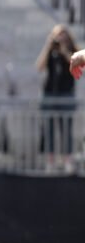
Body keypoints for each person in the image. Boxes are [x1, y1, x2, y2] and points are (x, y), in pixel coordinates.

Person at [36, 24, 77, 166]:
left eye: (63, 35)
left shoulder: (73, 51)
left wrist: (64, 51)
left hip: (66, 94)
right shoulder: (51, 52)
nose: (60, 39)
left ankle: (67, 159)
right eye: (57, 35)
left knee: (66, 128)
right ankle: (51, 160)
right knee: (49, 129)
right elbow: (39, 67)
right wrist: (48, 46)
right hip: (50, 94)